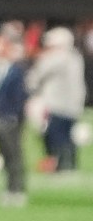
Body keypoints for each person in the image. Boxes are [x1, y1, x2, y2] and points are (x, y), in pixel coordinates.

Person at [28, 24, 84, 174]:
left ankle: (58, 164)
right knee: (67, 136)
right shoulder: (75, 57)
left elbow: (37, 75)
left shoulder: (57, 58)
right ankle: (69, 164)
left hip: (57, 104)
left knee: (54, 136)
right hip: (73, 105)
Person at [0, 30, 33, 206]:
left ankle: (18, 190)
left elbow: (20, 96)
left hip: (10, 119)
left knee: (14, 155)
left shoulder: (16, 71)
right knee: (5, 156)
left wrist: (15, 116)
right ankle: (9, 188)